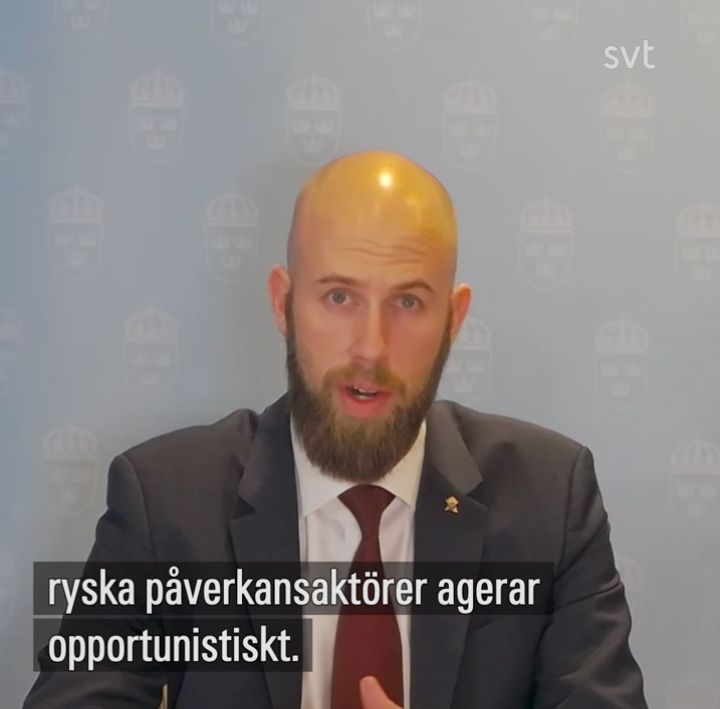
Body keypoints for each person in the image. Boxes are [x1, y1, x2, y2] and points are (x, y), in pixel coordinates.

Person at [24, 150, 648, 708]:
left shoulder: (551, 500)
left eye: (408, 302)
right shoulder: (164, 502)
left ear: (454, 319)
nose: (370, 348)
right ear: (283, 302)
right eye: (340, 298)